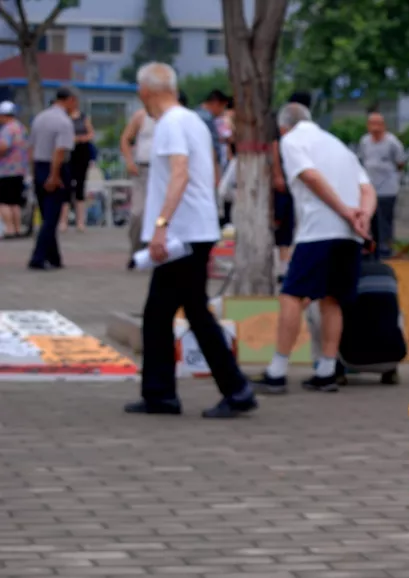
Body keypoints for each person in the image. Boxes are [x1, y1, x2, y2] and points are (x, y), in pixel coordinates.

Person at [123, 62, 257, 419]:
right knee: (164, 312)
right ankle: (161, 393)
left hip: (183, 234)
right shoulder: (193, 120)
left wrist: (162, 225)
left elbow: (179, 173)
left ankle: (233, 389)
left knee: (190, 312)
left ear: (145, 91)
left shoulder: (169, 124)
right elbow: (209, 169)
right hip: (194, 230)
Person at [253, 103, 377, 394]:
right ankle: (326, 370)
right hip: (350, 235)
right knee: (332, 299)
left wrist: (346, 212)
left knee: (291, 295)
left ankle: (278, 370)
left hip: (318, 230)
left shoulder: (291, 141)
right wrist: (363, 218)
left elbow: (310, 176)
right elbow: (367, 189)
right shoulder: (338, 145)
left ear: (284, 127)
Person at [27, 87, 76, 270]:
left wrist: (33, 173)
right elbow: (60, 151)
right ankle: (38, 257)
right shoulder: (64, 122)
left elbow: (30, 147)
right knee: (51, 218)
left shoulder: (40, 118)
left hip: (39, 165)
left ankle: (54, 257)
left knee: (47, 214)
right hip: (55, 167)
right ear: (69, 100)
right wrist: (54, 175)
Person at [270, 91, 312, 283]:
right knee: (282, 224)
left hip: (298, 181)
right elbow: (275, 146)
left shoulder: (306, 125)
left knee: (294, 224)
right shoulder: (283, 122)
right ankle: (282, 266)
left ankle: (287, 265)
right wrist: (278, 174)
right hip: (285, 182)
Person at [357, 112, 406, 259]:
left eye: (378, 123)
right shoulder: (365, 141)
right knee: (370, 222)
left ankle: (386, 251)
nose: (375, 127)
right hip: (369, 190)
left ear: (384, 125)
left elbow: (400, 162)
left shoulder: (392, 143)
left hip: (387, 190)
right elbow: (361, 160)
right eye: (372, 123)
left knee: (384, 221)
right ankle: (371, 250)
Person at [120, 107, 156, 268]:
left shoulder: (172, 116)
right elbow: (126, 139)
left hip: (163, 170)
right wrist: (129, 161)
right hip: (142, 169)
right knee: (138, 213)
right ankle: (135, 251)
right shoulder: (140, 115)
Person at [60, 93, 95, 233]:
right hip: (68, 154)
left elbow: (91, 133)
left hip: (82, 154)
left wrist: (83, 138)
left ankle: (80, 222)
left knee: (80, 188)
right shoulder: (63, 118)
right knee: (66, 188)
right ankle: (64, 221)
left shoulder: (83, 117)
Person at [0, 101, 29, 239]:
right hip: (20, 169)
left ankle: (10, 230)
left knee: (4, 202)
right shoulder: (21, 128)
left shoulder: (7, 129)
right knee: (15, 202)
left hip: (6, 170)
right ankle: (17, 228)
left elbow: (3, 146)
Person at [196, 89, 228, 185]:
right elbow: (212, 146)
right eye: (223, 107)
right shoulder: (207, 119)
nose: (223, 111)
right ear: (216, 103)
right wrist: (216, 173)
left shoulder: (194, 114)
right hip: (205, 167)